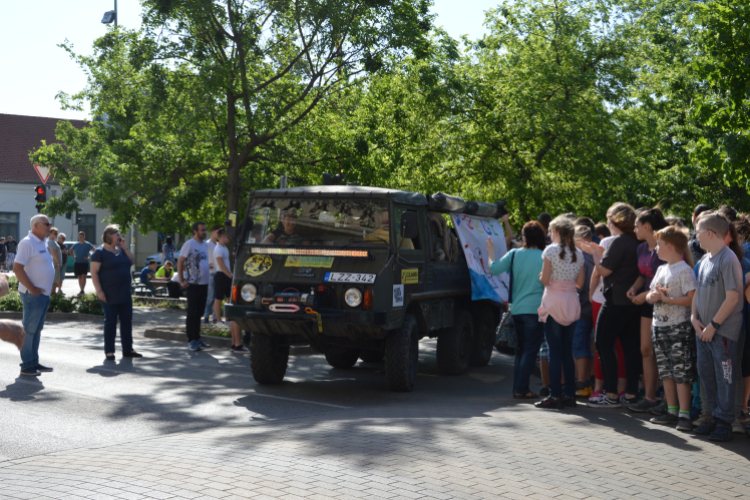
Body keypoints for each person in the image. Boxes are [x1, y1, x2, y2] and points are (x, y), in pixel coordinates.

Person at [691, 213, 743, 442]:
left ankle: (725, 422)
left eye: (698, 232)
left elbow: (732, 298)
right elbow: (697, 293)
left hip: (721, 332)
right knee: (707, 374)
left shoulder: (728, 259)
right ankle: (713, 415)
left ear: (710, 233)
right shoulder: (704, 261)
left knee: (725, 376)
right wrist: (694, 318)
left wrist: (713, 325)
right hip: (703, 331)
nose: (695, 237)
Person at [585, 203, 641, 409]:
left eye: (609, 218)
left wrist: (594, 253)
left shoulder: (620, 241)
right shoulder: (637, 241)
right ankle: (631, 393)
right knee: (630, 348)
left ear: (615, 220)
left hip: (616, 300)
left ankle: (611, 394)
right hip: (632, 302)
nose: (607, 222)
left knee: (603, 344)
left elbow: (604, 271)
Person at [646, 226, 697, 431]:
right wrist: (653, 297)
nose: (656, 248)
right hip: (659, 326)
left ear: (669, 246)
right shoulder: (661, 269)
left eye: (658, 244)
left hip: (678, 327)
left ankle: (684, 415)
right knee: (666, 371)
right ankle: (671, 410)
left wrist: (668, 299)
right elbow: (650, 294)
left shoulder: (684, 269)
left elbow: (692, 299)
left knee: (681, 371)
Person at [487, 221, 546, 399]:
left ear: (524, 237)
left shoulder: (514, 254)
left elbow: (494, 269)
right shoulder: (545, 256)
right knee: (530, 350)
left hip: (517, 310)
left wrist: (490, 252)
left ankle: (519, 388)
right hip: (536, 310)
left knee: (521, 350)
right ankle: (521, 389)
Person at [535, 216, 585, 409]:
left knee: (554, 352)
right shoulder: (578, 253)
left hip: (554, 302)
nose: (548, 234)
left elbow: (545, 279)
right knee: (566, 352)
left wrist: (541, 276)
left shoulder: (551, 251)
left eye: (550, 231)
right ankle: (570, 395)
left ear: (556, 232)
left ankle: (555, 395)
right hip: (571, 302)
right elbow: (580, 283)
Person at [625, 208, 669, 412]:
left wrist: (646, 294)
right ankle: (649, 397)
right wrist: (635, 288)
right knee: (645, 349)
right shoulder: (641, 248)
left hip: (664, 304)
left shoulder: (665, 248)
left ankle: (668, 400)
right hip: (645, 305)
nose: (634, 229)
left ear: (647, 227)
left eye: (636, 225)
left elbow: (667, 278)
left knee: (663, 352)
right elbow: (644, 274)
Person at [90, 225, 141, 361]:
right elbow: (94, 272)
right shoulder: (99, 252)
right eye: (117, 234)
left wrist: (125, 248)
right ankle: (109, 351)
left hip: (124, 291)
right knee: (111, 321)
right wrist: (99, 291)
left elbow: (132, 261)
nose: (120, 236)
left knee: (126, 321)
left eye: (119, 233)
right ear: (108, 236)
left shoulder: (121, 250)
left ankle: (128, 349)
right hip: (108, 292)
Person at [13, 215, 55, 376]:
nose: (49, 226)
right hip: (33, 295)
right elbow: (17, 269)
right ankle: (26, 365)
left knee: (36, 330)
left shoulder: (42, 242)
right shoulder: (27, 243)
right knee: (29, 330)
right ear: (36, 226)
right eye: (46, 224)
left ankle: (33, 362)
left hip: (42, 295)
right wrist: (32, 288)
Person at [178, 221, 211, 351]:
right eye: (202, 230)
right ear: (195, 231)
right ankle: (191, 339)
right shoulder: (189, 244)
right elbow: (180, 261)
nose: (204, 232)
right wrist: (181, 280)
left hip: (204, 283)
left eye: (205, 230)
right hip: (193, 284)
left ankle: (197, 337)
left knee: (200, 312)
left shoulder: (204, 244)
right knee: (192, 312)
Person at [213, 228, 247, 352]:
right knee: (218, 298)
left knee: (229, 298)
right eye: (227, 236)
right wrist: (231, 276)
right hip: (221, 275)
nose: (229, 238)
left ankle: (228, 319)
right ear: (222, 236)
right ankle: (218, 320)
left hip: (227, 275)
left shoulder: (225, 248)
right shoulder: (218, 249)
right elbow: (221, 265)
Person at [573, 225, 595, 396]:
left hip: (580, 307)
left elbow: (579, 285)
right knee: (588, 347)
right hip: (591, 308)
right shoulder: (595, 256)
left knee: (579, 346)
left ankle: (581, 384)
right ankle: (586, 382)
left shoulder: (580, 257)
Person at [203, 225, 221, 324]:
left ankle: (214, 317)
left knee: (216, 297)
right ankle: (206, 316)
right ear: (213, 232)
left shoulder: (218, 245)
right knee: (211, 296)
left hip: (217, 272)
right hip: (210, 273)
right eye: (217, 232)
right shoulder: (207, 244)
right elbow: (202, 256)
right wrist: (206, 264)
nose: (218, 235)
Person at [47, 227, 63, 295]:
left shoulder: (52, 241)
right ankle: (52, 293)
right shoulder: (50, 242)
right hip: (55, 264)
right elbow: (53, 252)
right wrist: (58, 262)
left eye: (57, 233)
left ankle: (52, 292)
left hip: (54, 263)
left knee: (56, 279)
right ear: (50, 233)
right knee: (54, 280)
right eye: (55, 233)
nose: (56, 235)